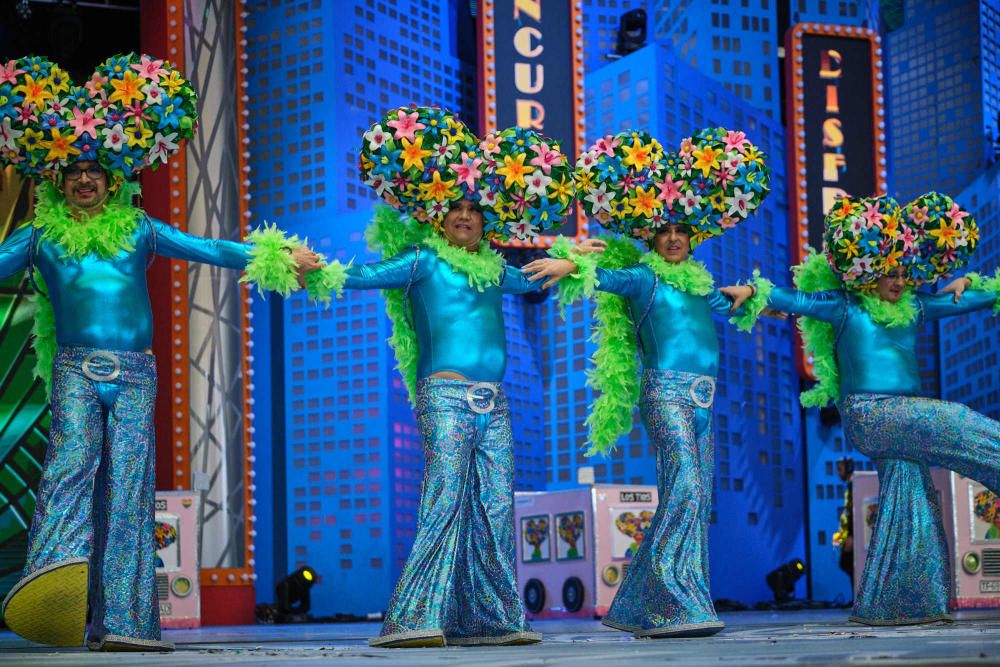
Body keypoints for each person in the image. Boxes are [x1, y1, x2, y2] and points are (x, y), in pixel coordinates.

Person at [0, 53, 320, 652]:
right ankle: (52, 579)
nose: (86, 180)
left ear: (114, 179)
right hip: (73, 368)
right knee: (72, 468)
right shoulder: (40, 236)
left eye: (96, 170)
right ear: (58, 181)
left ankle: (122, 622)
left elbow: (209, 248)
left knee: (127, 488)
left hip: (136, 374)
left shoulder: (140, 228)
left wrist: (277, 258)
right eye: (74, 172)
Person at [338, 109, 577, 647]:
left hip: (494, 401)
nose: (466, 216)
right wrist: (312, 267)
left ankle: (488, 619)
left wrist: (570, 263)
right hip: (444, 396)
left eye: (474, 209)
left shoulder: (495, 269)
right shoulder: (423, 260)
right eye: (457, 207)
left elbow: (535, 278)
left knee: (494, 506)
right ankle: (413, 618)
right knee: (444, 496)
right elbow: (363, 275)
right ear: (438, 216)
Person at [533, 128, 772, 638]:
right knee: (684, 485)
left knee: (697, 498)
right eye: (663, 230)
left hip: (706, 399)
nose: (673, 237)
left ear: (694, 236)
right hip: (664, 393)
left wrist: (752, 290)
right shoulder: (645, 278)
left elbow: (753, 304)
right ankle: (660, 601)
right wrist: (573, 260)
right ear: (650, 237)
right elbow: (605, 278)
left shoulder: (705, 287)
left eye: (681, 229)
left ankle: (665, 604)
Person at [723, 193, 1000, 626]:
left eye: (904, 271)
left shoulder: (914, 308)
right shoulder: (847, 306)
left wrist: (969, 284)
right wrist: (752, 291)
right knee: (969, 427)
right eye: (887, 270)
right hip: (872, 413)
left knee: (911, 497)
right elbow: (791, 299)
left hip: (904, 419)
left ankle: (899, 604)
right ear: (867, 271)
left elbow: (975, 301)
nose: (896, 279)